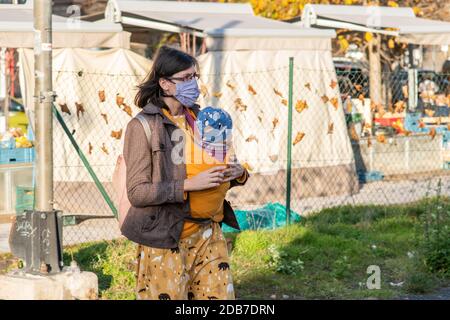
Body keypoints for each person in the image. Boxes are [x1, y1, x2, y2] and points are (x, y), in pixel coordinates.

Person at [121, 45, 249, 300]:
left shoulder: (202, 118)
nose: (194, 84)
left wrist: (238, 172)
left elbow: (218, 164)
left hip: (209, 233)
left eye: (195, 77)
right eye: (186, 78)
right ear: (166, 84)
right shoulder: (143, 126)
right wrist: (189, 185)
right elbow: (137, 192)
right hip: (166, 237)